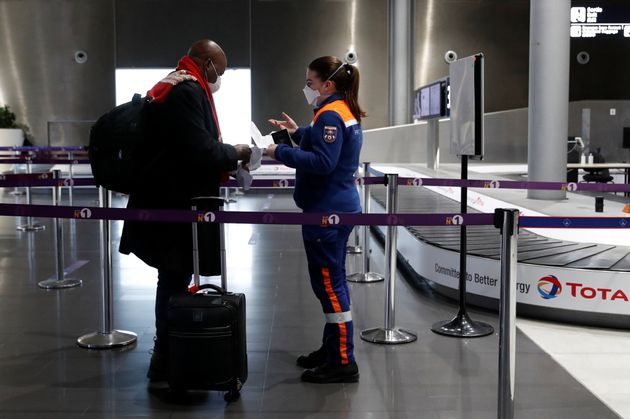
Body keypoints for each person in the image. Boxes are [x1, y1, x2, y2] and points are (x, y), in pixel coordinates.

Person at [119, 39, 251, 381]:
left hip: (165, 198)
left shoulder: (174, 83)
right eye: (218, 72)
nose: (218, 79)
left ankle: (172, 351)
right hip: (172, 203)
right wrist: (234, 152)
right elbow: (199, 149)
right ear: (205, 62)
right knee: (174, 276)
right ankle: (167, 355)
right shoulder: (188, 91)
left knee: (174, 276)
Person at [266, 56, 364, 383]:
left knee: (330, 285)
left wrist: (277, 152)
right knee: (330, 283)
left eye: (310, 83)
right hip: (335, 207)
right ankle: (332, 347)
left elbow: (323, 161)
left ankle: (342, 360)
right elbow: (323, 140)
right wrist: (298, 133)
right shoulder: (338, 112)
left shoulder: (332, 115)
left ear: (328, 84)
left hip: (327, 213)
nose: (307, 89)